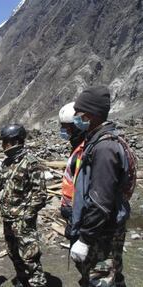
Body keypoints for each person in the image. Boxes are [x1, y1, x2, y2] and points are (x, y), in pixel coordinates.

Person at [70, 86, 133, 287]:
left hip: (102, 234)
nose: (77, 118)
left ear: (91, 114)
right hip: (102, 229)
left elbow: (100, 200)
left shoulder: (105, 148)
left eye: (79, 114)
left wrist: (85, 239)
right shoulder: (99, 141)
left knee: (102, 279)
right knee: (111, 278)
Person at [0, 124, 47, 287]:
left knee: (30, 258)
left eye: (5, 141)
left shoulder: (31, 162)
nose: (3, 145)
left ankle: (36, 283)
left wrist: (27, 216)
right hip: (8, 219)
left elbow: (40, 194)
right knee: (14, 254)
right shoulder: (6, 163)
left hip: (22, 221)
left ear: (14, 141)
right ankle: (23, 281)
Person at [58, 102, 86, 238]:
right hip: (73, 213)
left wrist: (76, 218)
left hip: (80, 217)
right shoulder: (77, 147)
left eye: (67, 128)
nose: (65, 131)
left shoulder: (84, 149)